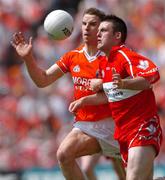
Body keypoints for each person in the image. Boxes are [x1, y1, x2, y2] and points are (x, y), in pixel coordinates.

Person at [11, 8, 125, 180]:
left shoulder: (113, 56)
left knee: (130, 176)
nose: (86, 28)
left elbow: (120, 92)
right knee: (64, 155)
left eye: (93, 24)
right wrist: (28, 58)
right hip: (87, 126)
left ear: (102, 29)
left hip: (115, 124)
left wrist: (89, 97)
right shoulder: (73, 56)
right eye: (84, 23)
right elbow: (43, 80)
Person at [69, 15, 163, 180]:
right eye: (97, 31)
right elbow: (110, 95)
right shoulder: (105, 63)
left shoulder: (125, 55)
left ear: (117, 36)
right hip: (123, 133)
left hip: (142, 126)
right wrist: (84, 101)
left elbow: (151, 76)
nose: (98, 34)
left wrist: (124, 84)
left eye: (103, 30)